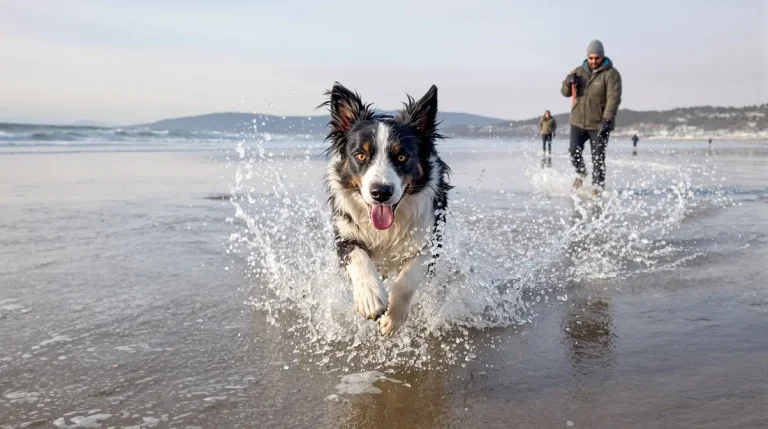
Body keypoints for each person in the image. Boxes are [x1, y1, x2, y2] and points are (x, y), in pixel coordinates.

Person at [561, 39, 622, 197]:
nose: (594, 61)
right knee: (574, 150)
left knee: (598, 158)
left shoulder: (611, 74)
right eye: (591, 58)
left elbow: (613, 99)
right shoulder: (578, 71)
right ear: (587, 57)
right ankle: (581, 173)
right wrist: (568, 82)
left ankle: (597, 188)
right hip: (578, 121)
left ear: (602, 57)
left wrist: (607, 120)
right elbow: (565, 93)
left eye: (597, 58)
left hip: (599, 124)